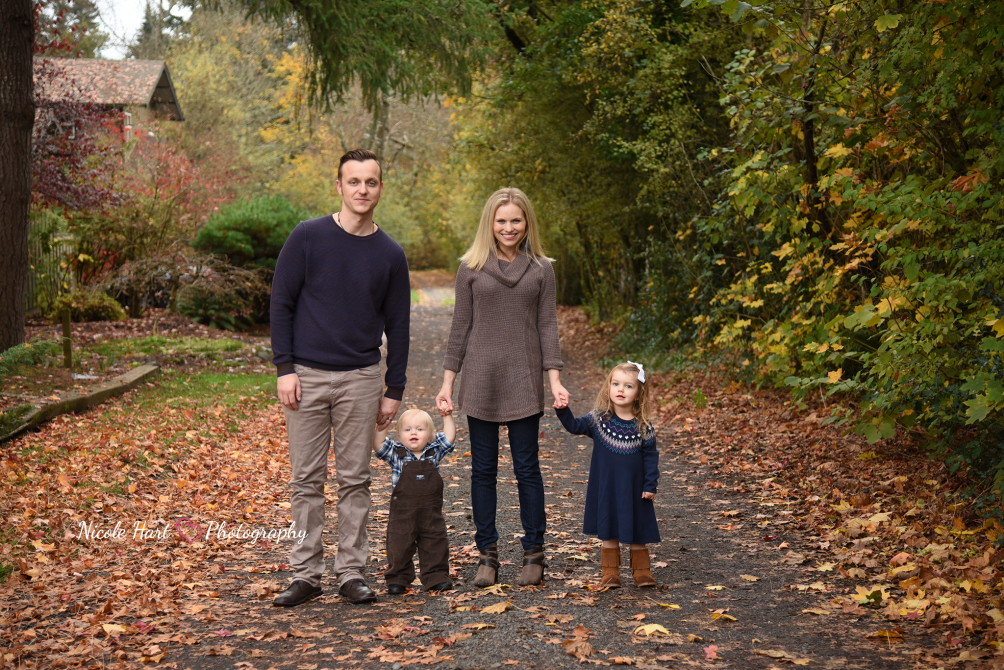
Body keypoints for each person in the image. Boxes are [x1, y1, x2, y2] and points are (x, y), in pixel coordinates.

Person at [270, 148, 410, 607]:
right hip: (306, 378)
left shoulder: (390, 254)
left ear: (380, 188)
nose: (362, 190)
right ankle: (306, 574)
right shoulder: (307, 237)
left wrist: (394, 389)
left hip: (360, 379)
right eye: (354, 182)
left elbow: (399, 325)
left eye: (371, 182)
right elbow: (281, 304)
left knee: (355, 480)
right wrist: (285, 368)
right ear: (339, 186)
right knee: (305, 481)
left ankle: (351, 572)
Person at [436, 187, 569, 588]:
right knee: (483, 471)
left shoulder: (541, 268)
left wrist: (555, 379)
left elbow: (548, 326)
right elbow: (460, 328)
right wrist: (447, 382)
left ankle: (534, 552)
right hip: (480, 379)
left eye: (516, 220)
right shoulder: (471, 267)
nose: (508, 227)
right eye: (501, 220)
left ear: (527, 222)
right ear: (489, 224)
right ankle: (487, 555)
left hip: (524, 380)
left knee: (527, 469)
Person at [555, 362, 660, 588]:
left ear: (639, 393)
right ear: (608, 387)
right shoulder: (599, 419)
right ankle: (610, 573)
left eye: (628, 386)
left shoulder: (644, 427)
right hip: (607, 488)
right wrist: (563, 409)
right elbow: (575, 426)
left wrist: (650, 485)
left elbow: (651, 457)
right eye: (616, 384)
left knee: (637, 531)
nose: (620, 390)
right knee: (609, 531)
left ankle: (642, 572)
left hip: (634, 489)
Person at [373, 408, 456, 594]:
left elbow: (449, 437)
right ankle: (398, 578)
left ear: (430, 434)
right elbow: (378, 444)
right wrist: (383, 424)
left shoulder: (433, 451)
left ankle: (436, 576)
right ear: (400, 434)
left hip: (430, 512)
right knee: (399, 544)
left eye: (420, 429)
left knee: (435, 542)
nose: (413, 433)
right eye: (408, 429)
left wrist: (447, 416)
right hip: (403, 513)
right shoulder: (396, 454)